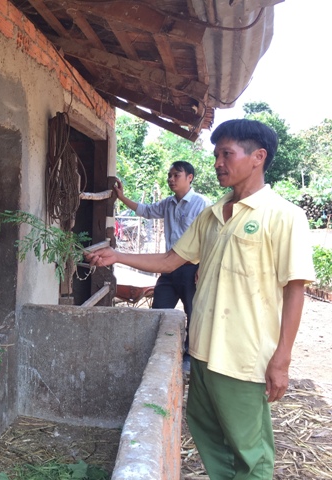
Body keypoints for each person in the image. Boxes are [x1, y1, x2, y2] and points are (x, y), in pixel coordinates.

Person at [87, 119, 315, 479]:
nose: (218, 162)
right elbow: (169, 261)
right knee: (210, 438)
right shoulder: (211, 215)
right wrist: (118, 256)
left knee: (250, 451)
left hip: (243, 356)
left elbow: (295, 289)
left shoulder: (284, 216)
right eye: (216, 154)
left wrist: (282, 359)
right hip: (204, 350)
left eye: (227, 153)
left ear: (258, 157)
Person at [115, 161, 211, 365]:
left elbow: (211, 238)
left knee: (193, 314)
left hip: (192, 268)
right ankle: (155, 354)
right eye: (169, 175)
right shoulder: (168, 203)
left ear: (190, 178)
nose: (171, 179)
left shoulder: (202, 204)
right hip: (168, 268)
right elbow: (146, 211)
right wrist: (122, 198)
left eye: (176, 175)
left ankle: (189, 358)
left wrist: (203, 266)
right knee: (159, 310)